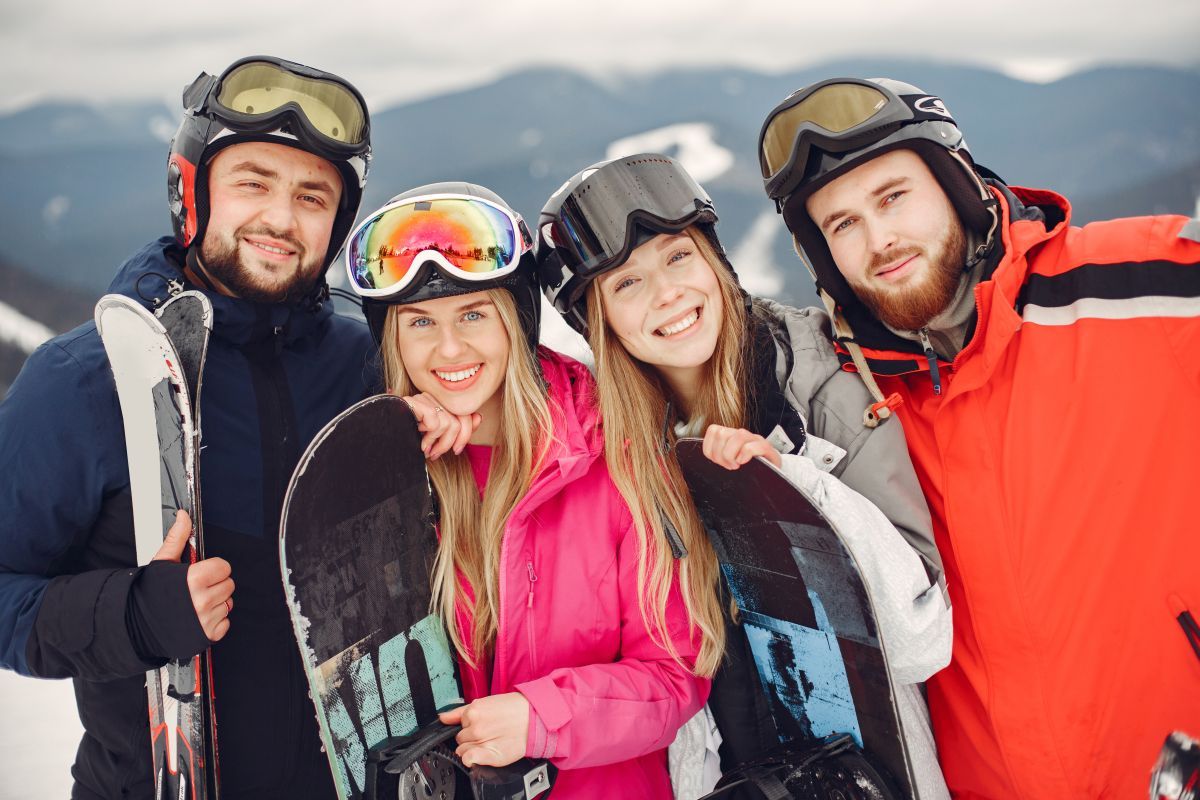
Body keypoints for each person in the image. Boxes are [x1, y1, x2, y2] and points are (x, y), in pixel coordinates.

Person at [757, 76, 1200, 798]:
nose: (879, 241)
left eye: (892, 197)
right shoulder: (854, 400)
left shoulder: (1136, 288)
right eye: (841, 225)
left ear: (956, 184)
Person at [0, 56, 376, 798]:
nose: (281, 217)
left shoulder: (367, 365)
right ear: (192, 189)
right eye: (253, 182)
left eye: (313, 196)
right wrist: (134, 615)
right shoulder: (88, 380)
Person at [536, 153, 952, 799]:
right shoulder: (613, 445)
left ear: (714, 261)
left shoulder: (820, 386)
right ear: (599, 322)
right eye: (626, 284)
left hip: (868, 775)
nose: (668, 293)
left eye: (678, 257)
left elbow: (921, 640)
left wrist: (792, 489)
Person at [346, 182, 715, 796]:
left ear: (516, 321)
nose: (449, 348)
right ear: (393, 339)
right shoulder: (398, 480)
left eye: (473, 314)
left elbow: (676, 676)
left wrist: (542, 719)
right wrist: (397, 462)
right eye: (419, 323)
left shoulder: (615, 453)